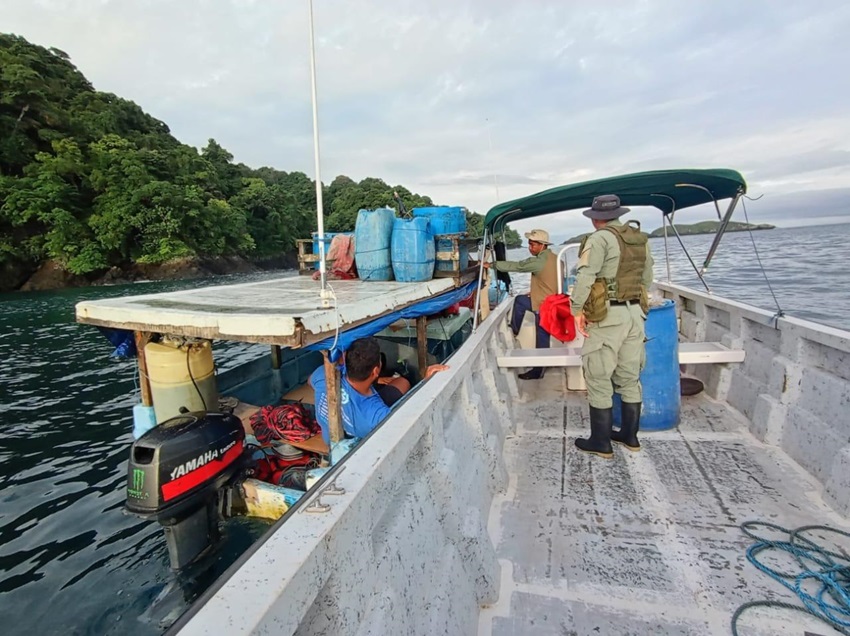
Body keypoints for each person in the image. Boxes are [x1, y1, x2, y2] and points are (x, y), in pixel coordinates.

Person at [570, 194, 654, 458]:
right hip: (635, 315)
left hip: (607, 316)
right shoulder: (640, 239)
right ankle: (630, 437)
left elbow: (585, 276)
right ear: (618, 214)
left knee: (598, 376)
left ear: (596, 219)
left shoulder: (599, 239)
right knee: (630, 377)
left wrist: (576, 310)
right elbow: (647, 277)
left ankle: (601, 442)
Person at [309, 336, 448, 444]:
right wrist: (426, 384)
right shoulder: (377, 417)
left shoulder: (325, 375)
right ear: (376, 371)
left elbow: (310, 380)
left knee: (402, 382)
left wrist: (378, 381)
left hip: (334, 434)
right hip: (354, 441)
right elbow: (413, 425)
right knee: (405, 382)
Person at [484, 229, 558, 380]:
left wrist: (491, 264)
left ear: (542, 245)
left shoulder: (537, 262)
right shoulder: (555, 258)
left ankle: (516, 331)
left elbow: (516, 266)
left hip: (544, 305)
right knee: (522, 302)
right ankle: (541, 365)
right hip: (554, 301)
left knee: (541, 334)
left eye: (533, 245)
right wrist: (535, 291)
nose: (530, 248)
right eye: (529, 245)